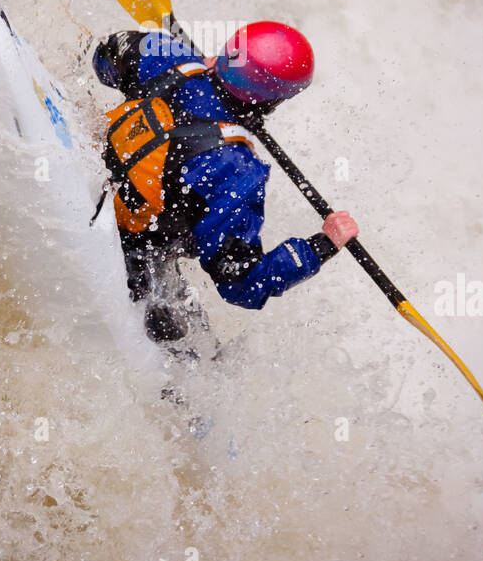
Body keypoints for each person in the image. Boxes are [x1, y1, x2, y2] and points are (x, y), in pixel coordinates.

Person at [92, 21, 359, 352]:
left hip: (89, 182)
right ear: (273, 101)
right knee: (202, 362)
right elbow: (241, 282)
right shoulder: (234, 169)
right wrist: (321, 246)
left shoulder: (167, 55)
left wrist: (190, 65)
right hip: (134, 260)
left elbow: (104, 59)